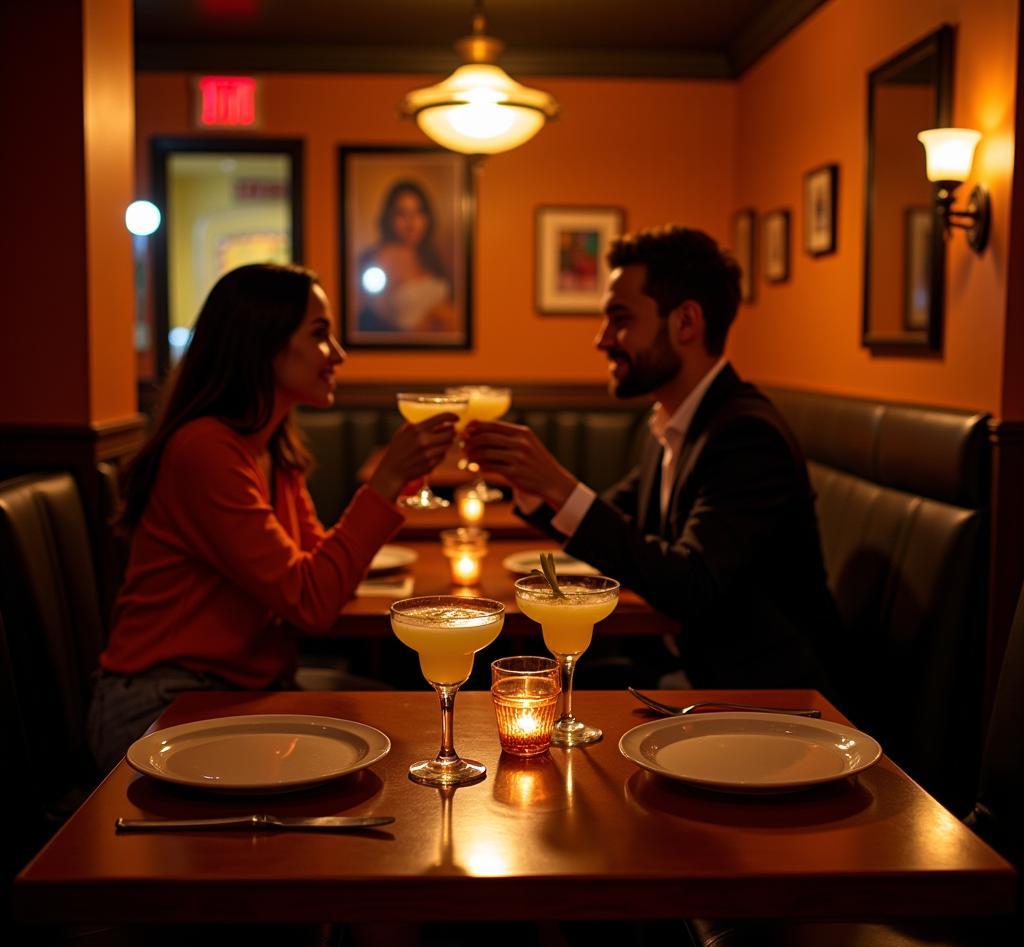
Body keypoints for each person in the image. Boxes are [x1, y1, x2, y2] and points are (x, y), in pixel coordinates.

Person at [89, 263, 458, 773]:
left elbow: (323, 581)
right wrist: (385, 485)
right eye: (320, 334)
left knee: (407, 734)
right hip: (164, 703)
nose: (339, 355)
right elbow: (311, 601)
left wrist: (394, 486)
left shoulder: (270, 446)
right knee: (394, 749)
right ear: (262, 344)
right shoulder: (206, 451)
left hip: (242, 693)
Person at [465, 225, 843, 694]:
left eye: (619, 318)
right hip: (691, 673)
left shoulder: (746, 435)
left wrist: (559, 486)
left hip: (764, 696)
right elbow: (619, 519)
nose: (602, 339)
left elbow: (694, 585)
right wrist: (529, 484)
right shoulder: (671, 420)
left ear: (686, 322)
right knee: (519, 685)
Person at [357, 179, 456, 333]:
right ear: (389, 218)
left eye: (418, 213)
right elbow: (372, 322)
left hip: (445, 351)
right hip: (403, 352)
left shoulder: (432, 256)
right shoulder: (378, 260)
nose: (411, 223)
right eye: (402, 214)